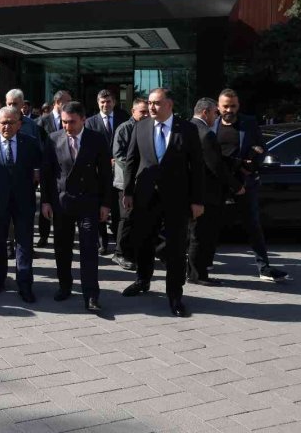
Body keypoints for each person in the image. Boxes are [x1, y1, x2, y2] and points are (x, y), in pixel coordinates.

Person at [122, 88, 204, 318]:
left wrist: (197, 200)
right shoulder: (141, 126)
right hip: (145, 197)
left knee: (176, 247)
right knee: (143, 241)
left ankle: (175, 295)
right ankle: (142, 280)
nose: (151, 107)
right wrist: (128, 192)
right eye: (149, 103)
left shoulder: (187, 129)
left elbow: (197, 167)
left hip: (177, 199)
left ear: (170, 104)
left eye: (157, 103)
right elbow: (131, 161)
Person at [40, 101, 112, 312]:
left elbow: (106, 176)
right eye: (63, 122)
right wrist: (45, 201)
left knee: (89, 249)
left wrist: (106, 204)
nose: (67, 126)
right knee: (62, 248)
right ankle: (65, 286)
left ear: (83, 119)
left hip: (89, 203)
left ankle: (91, 295)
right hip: (62, 203)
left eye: (71, 122)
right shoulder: (54, 139)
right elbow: (46, 173)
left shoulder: (96, 140)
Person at [215, 89, 290, 282]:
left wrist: (253, 163)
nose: (229, 110)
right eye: (225, 106)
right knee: (210, 225)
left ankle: (264, 267)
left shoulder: (248, 123)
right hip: (219, 183)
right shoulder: (211, 126)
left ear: (238, 106)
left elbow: (263, 148)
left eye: (233, 106)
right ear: (218, 106)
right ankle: (203, 264)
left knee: (253, 225)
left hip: (245, 182)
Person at [0, 106, 42, 303]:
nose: (6, 126)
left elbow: (41, 167)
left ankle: (25, 283)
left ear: (19, 124)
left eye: (11, 122)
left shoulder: (30, 143)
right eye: (3, 122)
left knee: (24, 243)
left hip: (24, 202)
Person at [189, 98, 244, 286]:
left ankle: (193, 270)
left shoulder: (186, 128)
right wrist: (236, 186)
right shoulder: (206, 134)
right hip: (207, 193)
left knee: (195, 233)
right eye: (215, 112)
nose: (217, 116)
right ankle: (198, 274)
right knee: (203, 235)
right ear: (205, 112)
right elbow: (216, 167)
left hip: (192, 191)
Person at [85, 89, 130, 255]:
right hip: (99, 173)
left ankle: (120, 244)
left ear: (114, 102)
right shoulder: (90, 122)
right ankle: (102, 243)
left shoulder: (123, 118)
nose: (105, 105)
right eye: (102, 102)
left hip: (120, 171)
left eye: (108, 101)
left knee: (119, 211)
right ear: (98, 103)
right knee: (100, 210)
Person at [110, 98, 149, 271]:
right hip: (124, 182)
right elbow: (119, 155)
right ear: (133, 111)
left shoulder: (148, 127)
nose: (146, 114)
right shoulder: (125, 128)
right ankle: (119, 253)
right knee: (125, 218)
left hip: (141, 181)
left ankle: (133, 251)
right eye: (142, 111)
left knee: (137, 218)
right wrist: (137, 169)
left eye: (147, 111)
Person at [35, 90, 71, 248]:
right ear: (57, 103)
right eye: (67, 101)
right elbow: (38, 144)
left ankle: (62, 233)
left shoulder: (70, 119)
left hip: (64, 168)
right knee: (46, 199)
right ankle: (43, 235)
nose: (70, 104)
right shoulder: (43, 121)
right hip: (47, 167)